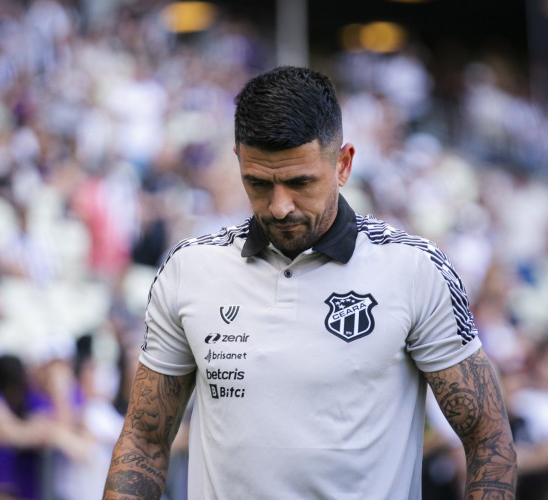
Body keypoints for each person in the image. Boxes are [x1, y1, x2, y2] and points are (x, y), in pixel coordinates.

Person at [103, 66, 517, 499]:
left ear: (343, 164)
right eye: (258, 183)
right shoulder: (190, 269)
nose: (280, 206)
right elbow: (144, 442)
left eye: (300, 182)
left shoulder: (415, 270)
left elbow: (487, 436)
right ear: (238, 162)